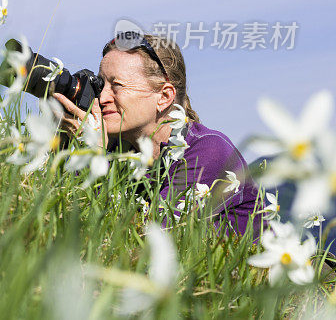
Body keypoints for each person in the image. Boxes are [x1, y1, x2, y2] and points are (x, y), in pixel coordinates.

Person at [52, 32, 262, 237]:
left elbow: (147, 239)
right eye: (101, 85)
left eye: (117, 86)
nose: (103, 97)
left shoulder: (208, 151)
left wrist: (93, 154)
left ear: (164, 96)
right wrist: (62, 141)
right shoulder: (114, 148)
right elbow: (64, 213)